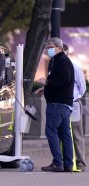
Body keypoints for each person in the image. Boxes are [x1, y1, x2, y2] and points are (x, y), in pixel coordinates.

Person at [36, 37, 75, 172]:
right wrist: (45, 89)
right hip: (63, 103)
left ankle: (58, 162)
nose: (48, 49)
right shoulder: (59, 61)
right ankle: (68, 164)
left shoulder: (62, 61)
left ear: (59, 47)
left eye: (50, 47)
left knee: (51, 132)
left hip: (58, 104)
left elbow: (64, 80)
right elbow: (62, 81)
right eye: (47, 47)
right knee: (65, 134)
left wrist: (46, 83)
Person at [63, 43, 87, 172]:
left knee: (77, 134)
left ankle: (80, 162)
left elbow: (82, 88)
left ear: (66, 51)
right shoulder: (54, 67)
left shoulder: (74, 68)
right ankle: (65, 160)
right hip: (60, 104)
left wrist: (74, 97)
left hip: (73, 103)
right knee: (62, 133)